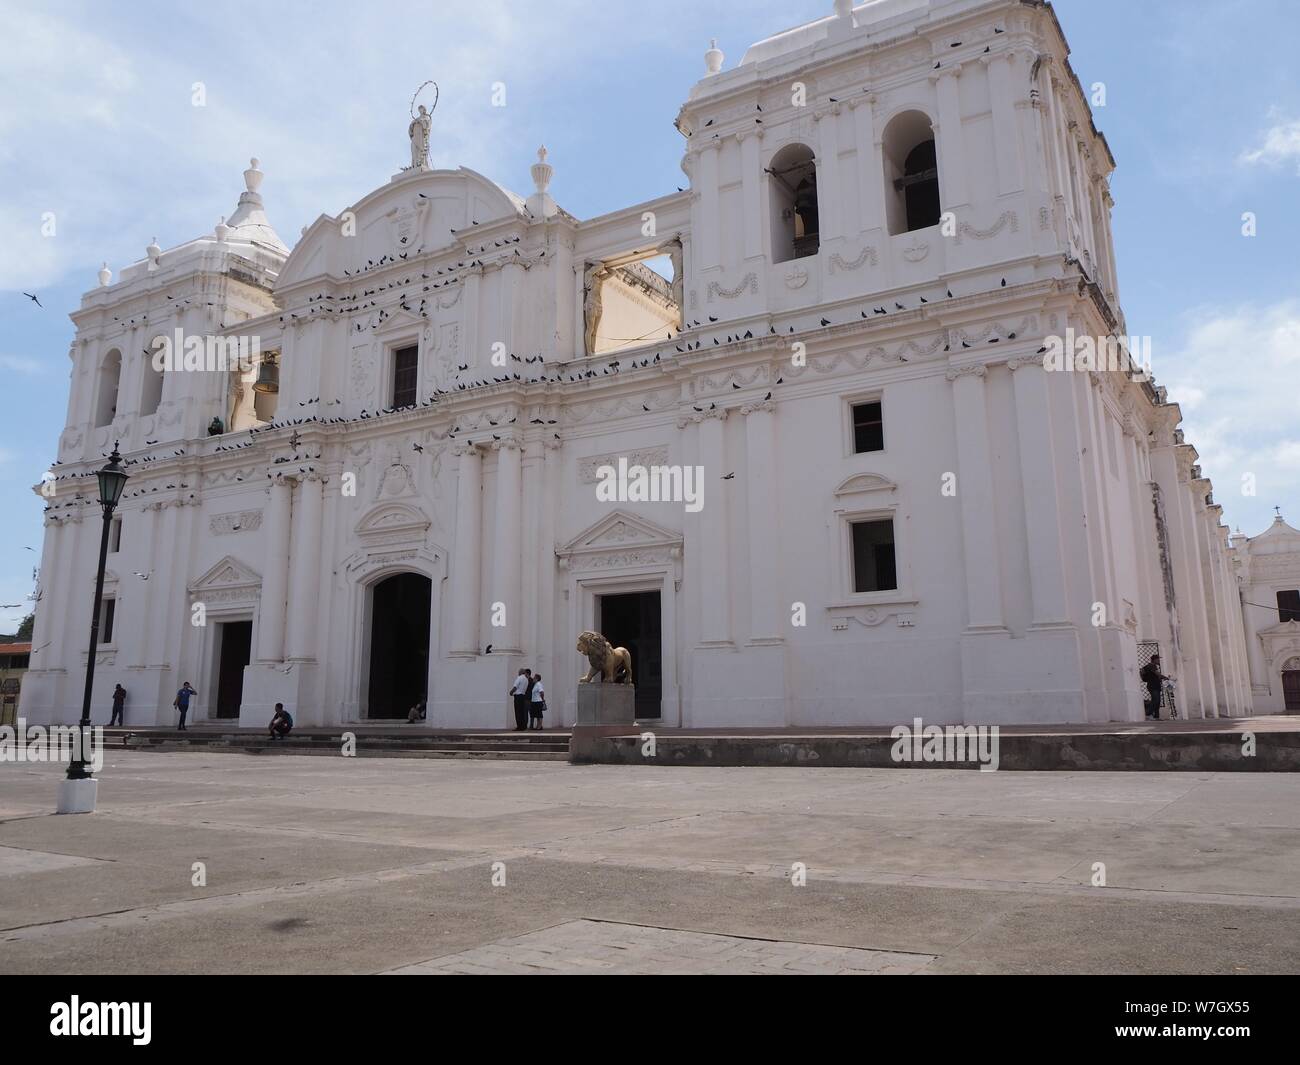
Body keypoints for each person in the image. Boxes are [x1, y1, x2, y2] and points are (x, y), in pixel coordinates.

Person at [1139, 655, 1167, 720]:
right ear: (1154, 660)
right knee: (1155, 700)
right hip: (1152, 685)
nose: (1159, 661)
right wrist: (1165, 678)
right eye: (1158, 659)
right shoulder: (1151, 666)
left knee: (1158, 701)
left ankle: (1156, 717)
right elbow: (1158, 674)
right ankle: (1148, 714)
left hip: (1155, 685)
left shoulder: (1150, 666)